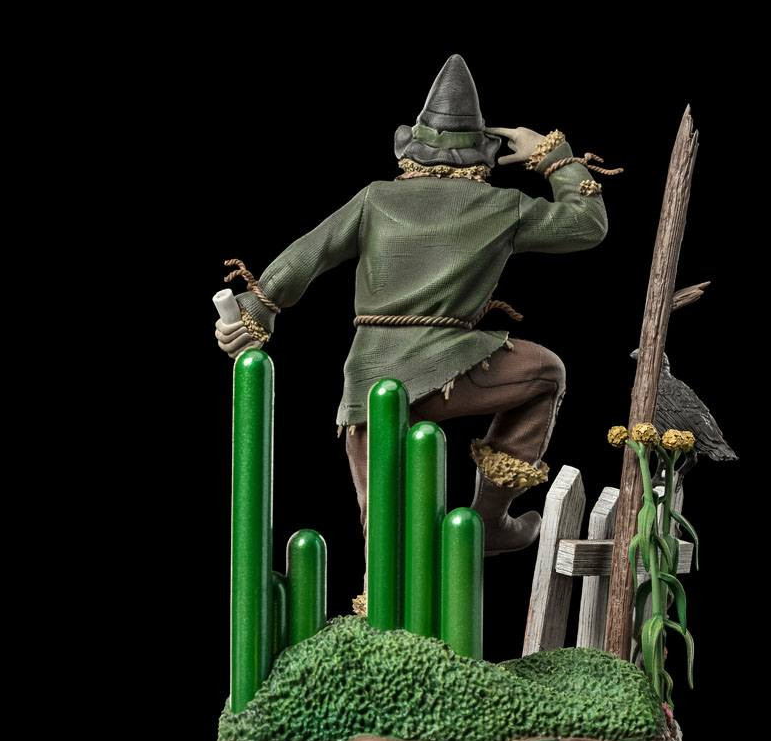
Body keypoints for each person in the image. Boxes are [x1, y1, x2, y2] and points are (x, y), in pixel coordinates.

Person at [215, 54, 609, 557]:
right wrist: (554, 156)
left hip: (370, 380)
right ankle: (490, 518)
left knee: (380, 523)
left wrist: (256, 313)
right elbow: (586, 224)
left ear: (410, 149)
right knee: (546, 372)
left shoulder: (375, 199)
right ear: (483, 154)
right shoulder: (502, 206)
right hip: (454, 371)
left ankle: (385, 582)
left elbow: (306, 255)